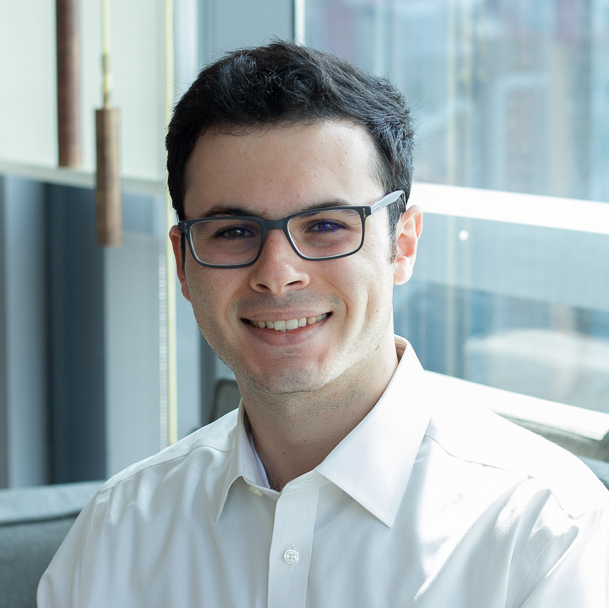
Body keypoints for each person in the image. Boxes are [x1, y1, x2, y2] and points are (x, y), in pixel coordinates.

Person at [38, 41, 608, 608]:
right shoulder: (117, 535)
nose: (277, 274)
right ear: (183, 263)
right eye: (234, 231)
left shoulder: (546, 533)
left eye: (327, 226)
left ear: (402, 243)